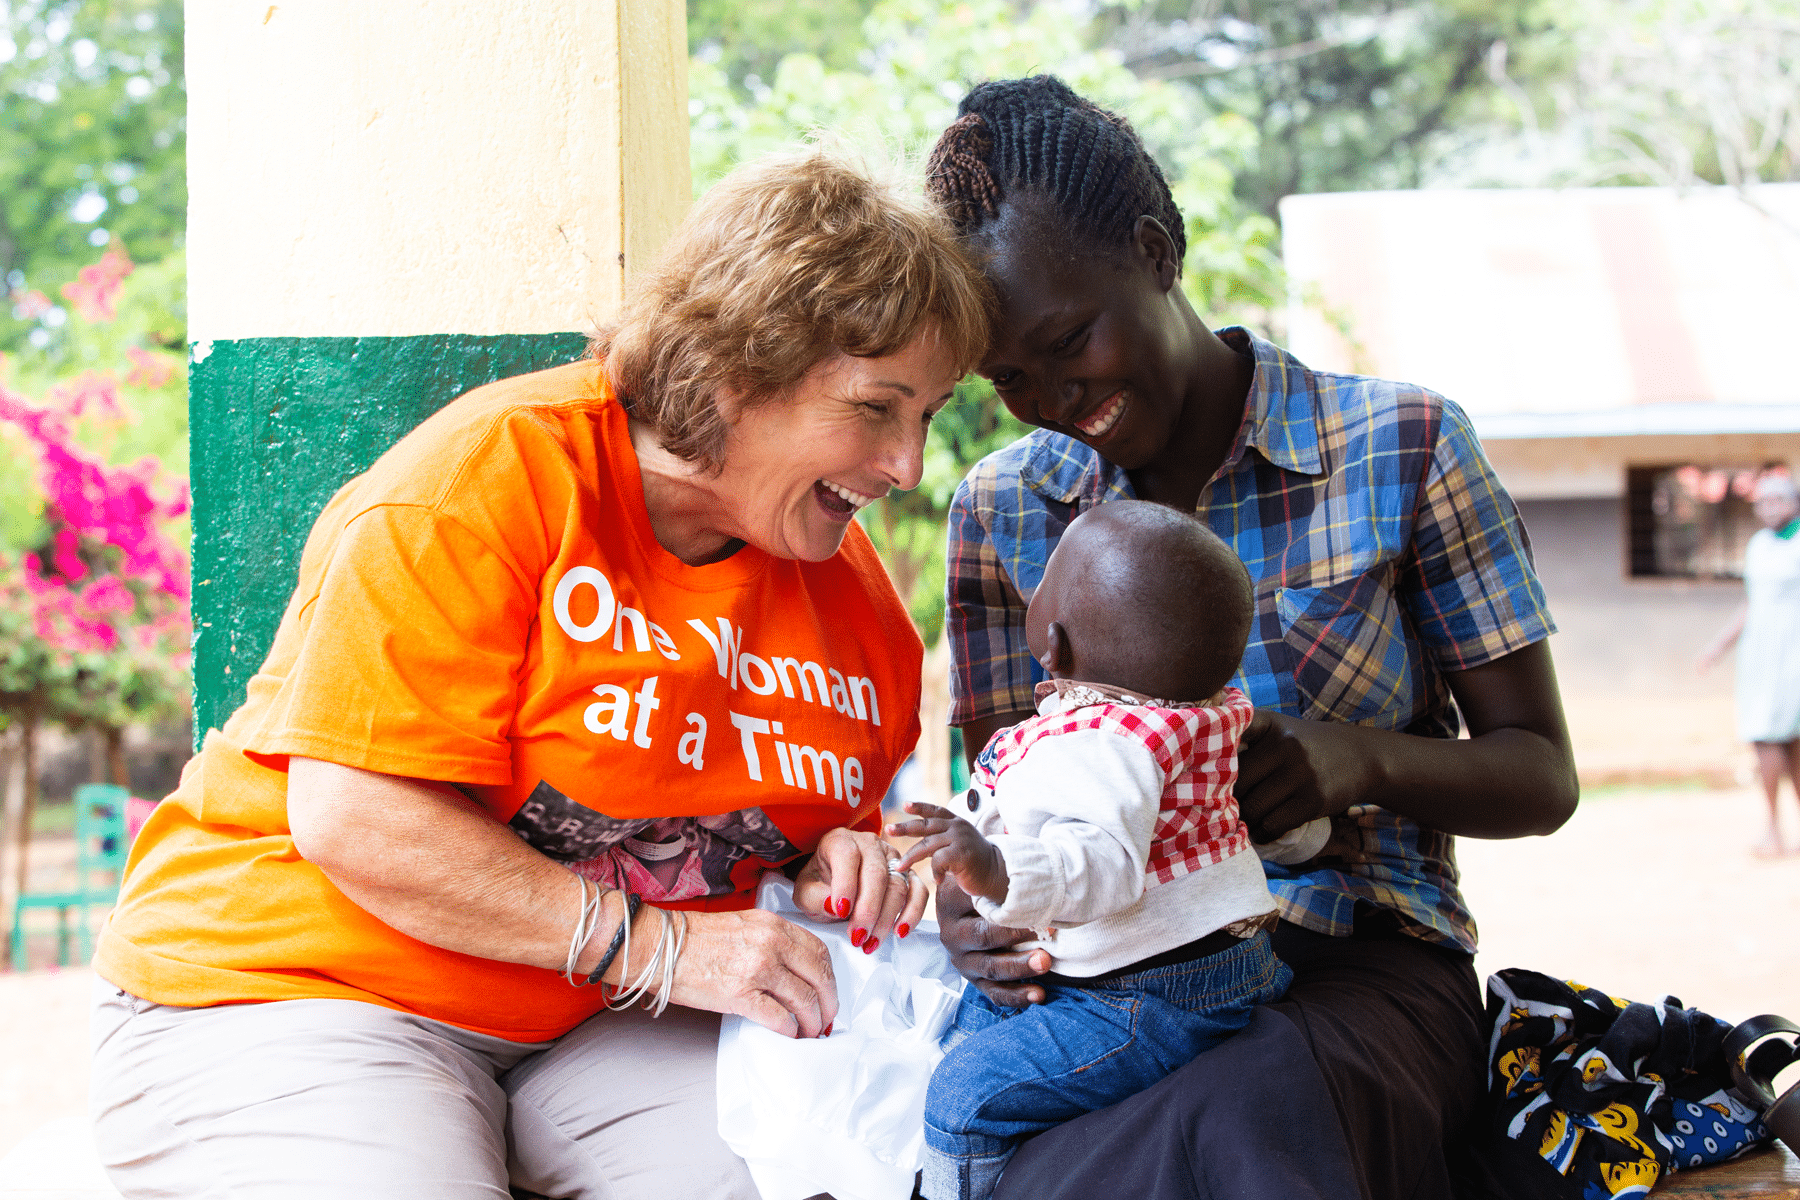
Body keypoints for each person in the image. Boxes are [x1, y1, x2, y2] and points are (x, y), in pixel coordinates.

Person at [87, 147, 994, 1200]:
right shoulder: (490, 479)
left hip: (599, 1023)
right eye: (878, 408)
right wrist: (654, 947)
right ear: (742, 368)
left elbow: (788, 832)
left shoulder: (852, 598)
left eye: (926, 416)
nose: (910, 467)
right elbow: (354, 819)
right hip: (299, 984)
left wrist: (840, 854)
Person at [923, 76, 1580, 1200]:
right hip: (1099, 984)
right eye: (1008, 378)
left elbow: (1541, 775)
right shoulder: (1003, 512)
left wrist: (1358, 760)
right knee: (994, 1124)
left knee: (1251, 1112)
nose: (1048, 395)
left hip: (1358, 963)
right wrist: (968, 903)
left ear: (1153, 250)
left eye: (1069, 339)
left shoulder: (1399, 445)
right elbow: (995, 790)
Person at [890, 500, 1321, 1200]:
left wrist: (995, 867)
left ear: (1052, 642)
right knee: (972, 1021)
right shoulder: (1196, 716)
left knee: (962, 1093)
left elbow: (1104, 866)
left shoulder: (1098, 742)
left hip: (1140, 996)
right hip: (1223, 964)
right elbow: (1257, 819)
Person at [1699, 470, 1800, 857]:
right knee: (1765, 735)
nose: (1770, 507)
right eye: (1763, 501)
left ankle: (1782, 832)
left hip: (1793, 654)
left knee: (1785, 739)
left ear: (1794, 502)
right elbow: (1752, 603)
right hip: (1761, 655)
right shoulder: (1759, 545)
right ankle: (1774, 828)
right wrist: (1718, 646)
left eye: (1778, 499)